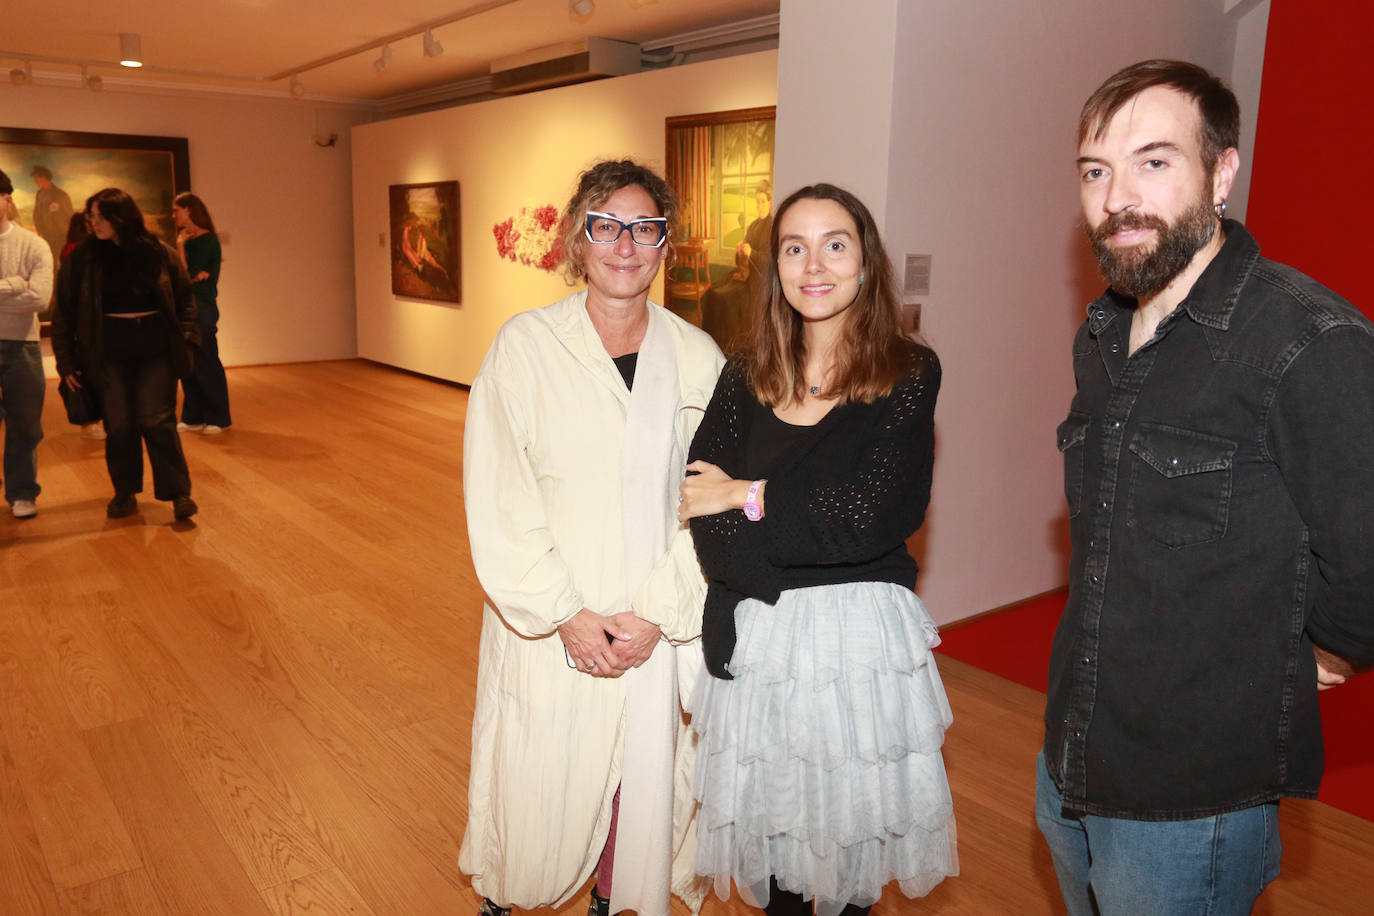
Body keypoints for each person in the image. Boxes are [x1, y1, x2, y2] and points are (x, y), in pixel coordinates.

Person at [1037, 59, 1374, 915]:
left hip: (1190, 797)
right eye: (1096, 171)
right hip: (1074, 753)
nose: (1120, 197)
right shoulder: (1104, 335)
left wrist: (1319, 656)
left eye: (1154, 162)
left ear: (1222, 172)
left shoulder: (1309, 341)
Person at [679, 183, 956, 916]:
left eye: (835, 244)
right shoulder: (743, 375)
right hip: (762, 637)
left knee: (842, 868)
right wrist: (771, 537)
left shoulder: (908, 372)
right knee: (775, 870)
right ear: (775, 268)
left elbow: (871, 516)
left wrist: (748, 494)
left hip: (855, 650)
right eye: (794, 248)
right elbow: (701, 511)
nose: (814, 265)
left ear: (866, 263)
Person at [458, 159, 725, 916]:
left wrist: (656, 613)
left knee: (637, 785)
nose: (625, 245)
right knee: (537, 779)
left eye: (645, 228)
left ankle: (615, 900)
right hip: (550, 621)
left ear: (665, 244)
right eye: (607, 226)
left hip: (654, 620)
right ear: (579, 239)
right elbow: (499, 494)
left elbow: (712, 500)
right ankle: (508, 901)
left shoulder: (698, 358)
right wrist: (566, 613)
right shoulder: (525, 348)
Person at [52, 188, 201, 522]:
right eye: (91, 216)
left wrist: (189, 341)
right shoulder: (82, 257)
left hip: (155, 348)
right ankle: (125, 491)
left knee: (157, 419)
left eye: (101, 216)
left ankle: (178, 494)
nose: (94, 223)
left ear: (123, 216)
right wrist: (65, 362)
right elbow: (63, 312)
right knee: (118, 424)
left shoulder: (157, 252)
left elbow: (185, 299)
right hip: (107, 351)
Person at [0, 169, 53, 519]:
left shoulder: (33, 244)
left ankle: (21, 492)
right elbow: (25, 293)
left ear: (7, 199)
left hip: (22, 345)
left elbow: (41, 299)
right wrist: (14, 285)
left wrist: (25, 289)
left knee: (24, 424)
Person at [173, 192, 231, 433]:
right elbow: (183, 276)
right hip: (185, 306)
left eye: (177, 210)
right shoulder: (184, 240)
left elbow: (188, 276)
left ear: (190, 210)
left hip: (203, 305)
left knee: (206, 360)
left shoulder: (208, 241)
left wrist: (180, 249)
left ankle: (219, 418)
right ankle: (193, 416)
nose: (173, 215)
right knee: (189, 362)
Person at [30, 165, 74, 269]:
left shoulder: (61, 195)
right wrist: (40, 230)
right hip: (46, 235)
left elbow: (69, 215)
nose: (35, 181)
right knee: (48, 262)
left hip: (60, 236)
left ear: (45, 177)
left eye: (37, 177)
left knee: (61, 263)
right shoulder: (39, 194)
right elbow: (37, 213)